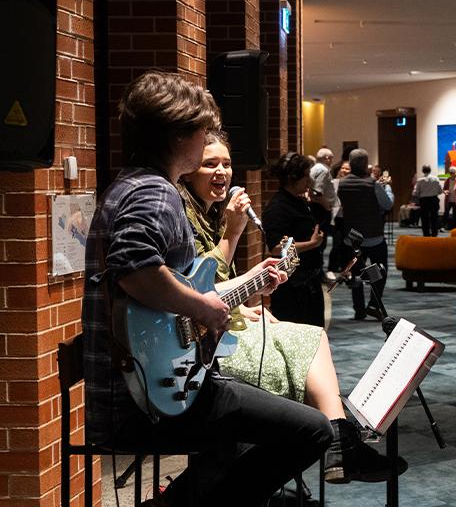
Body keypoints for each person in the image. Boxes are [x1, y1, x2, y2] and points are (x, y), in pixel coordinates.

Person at [82, 71, 332, 506]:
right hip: (142, 405)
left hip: (143, 390)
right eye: (202, 133)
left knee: (238, 439)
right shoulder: (156, 194)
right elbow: (134, 269)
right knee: (313, 429)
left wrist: (204, 302)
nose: (206, 145)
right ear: (181, 136)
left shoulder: (136, 185)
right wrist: (203, 307)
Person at [179, 131, 399, 484]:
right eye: (210, 164)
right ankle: (337, 440)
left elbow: (214, 288)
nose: (221, 171)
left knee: (311, 335)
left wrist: (243, 309)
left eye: (226, 163)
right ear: (188, 170)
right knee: (304, 351)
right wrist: (233, 234)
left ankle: (338, 439)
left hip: (222, 326)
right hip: (199, 349)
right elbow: (194, 290)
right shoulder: (183, 217)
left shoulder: (209, 214)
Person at [261, 152, 328, 327]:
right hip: (292, 287)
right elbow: (276, 247)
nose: (309, 181)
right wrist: (312, 244)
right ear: (293, 177)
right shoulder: (277, 207)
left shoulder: (298, 201)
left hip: (309, 282)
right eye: (306, 176)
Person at [337, 148, 393, 321]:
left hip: (352, 239)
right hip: (374, 237)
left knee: (356, 274)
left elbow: (337, 210)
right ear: (365, 164)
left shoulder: (341, 184)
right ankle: (373, 304)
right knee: (379, 271)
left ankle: (358, 309)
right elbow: (388, 204)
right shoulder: (372, 184)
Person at [413, 164, 443, 236]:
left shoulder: (420, 180)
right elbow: (440, 190)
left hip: (424, 201)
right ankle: (434, 234)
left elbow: (416, 193)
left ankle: (426, 234)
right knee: (434, 218)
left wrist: (416, 194)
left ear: (423, 171)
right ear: (430, 170)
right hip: (434, 199)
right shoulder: (436, 179)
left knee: (424, 218)